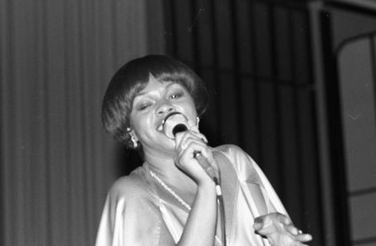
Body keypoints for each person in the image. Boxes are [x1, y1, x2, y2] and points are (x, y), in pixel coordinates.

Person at [95, 54, 313, 246]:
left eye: (174, 95)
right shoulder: (132, 193)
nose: (165, 106)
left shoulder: (235, 161)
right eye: (145, 105)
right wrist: (206, 185)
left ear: (194, 110)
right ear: (131, 131)